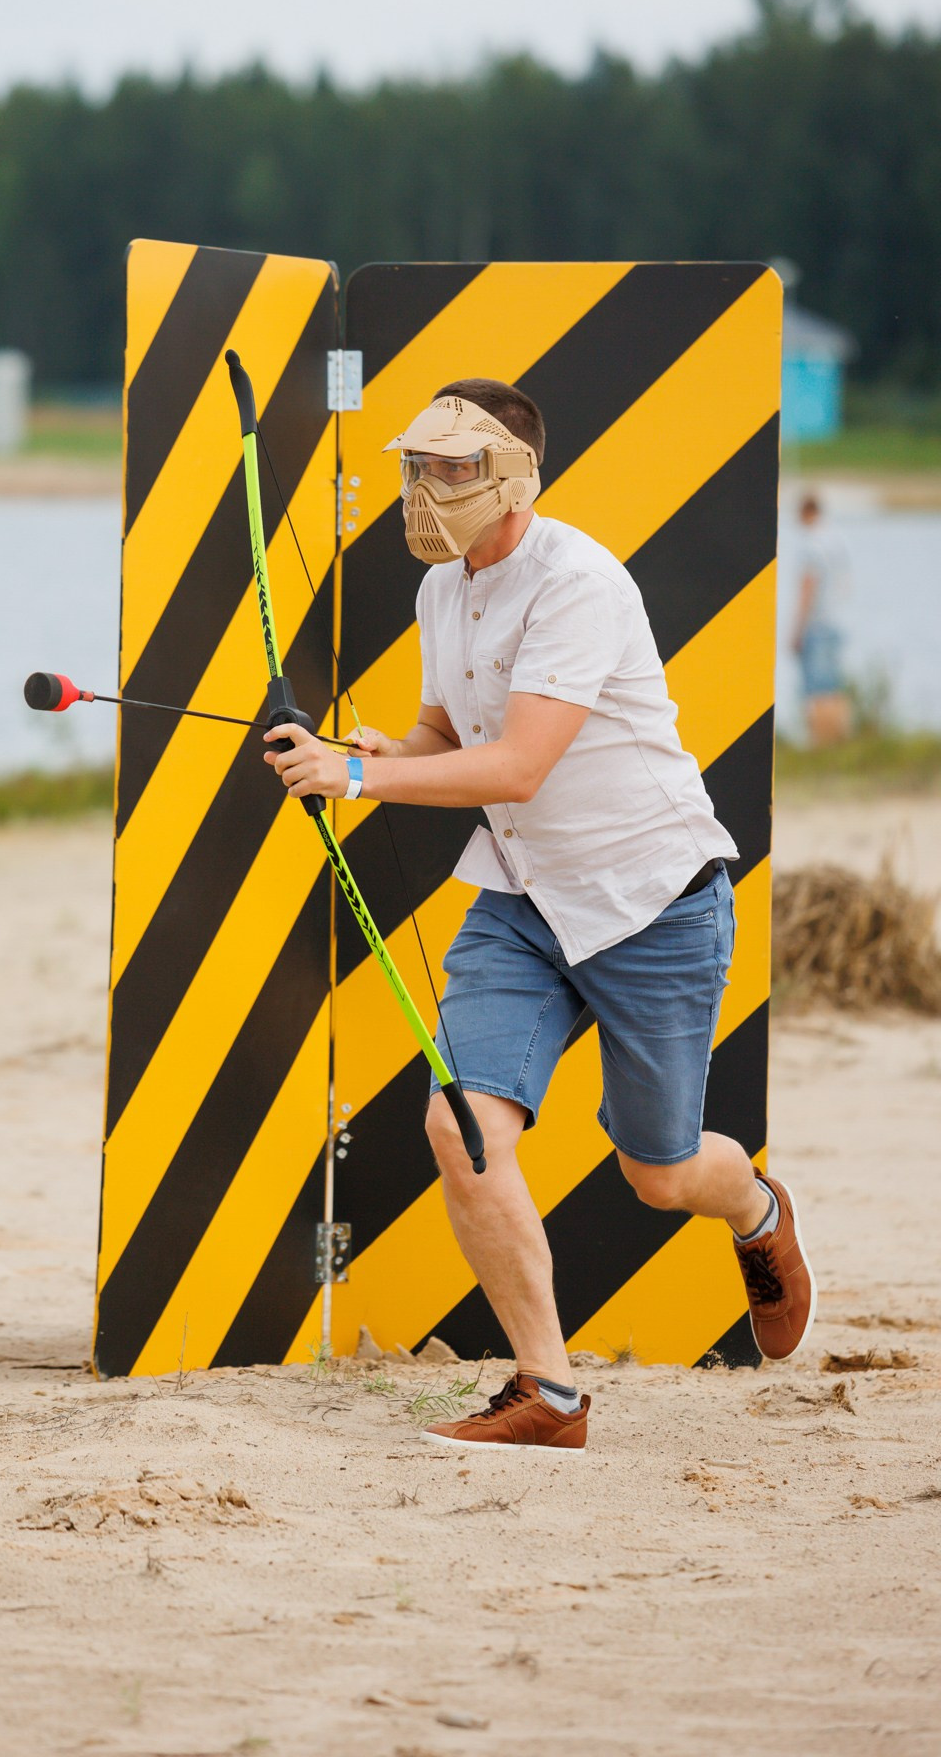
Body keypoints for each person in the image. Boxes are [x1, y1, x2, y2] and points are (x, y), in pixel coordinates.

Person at [264, 378, 816, 1452]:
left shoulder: (578, 582)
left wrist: (354, 781)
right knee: (459, 1125)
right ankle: (547, 1394)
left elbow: (515, 766)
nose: (425, 489)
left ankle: (753, 1209)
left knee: (657, 1173)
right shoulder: (441, 592)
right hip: (520, 900)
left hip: (648, 901)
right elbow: (442, 735)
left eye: (453, 468)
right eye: (416, 466)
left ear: (515, 475)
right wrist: (372, 750)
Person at [792, 492, 852, 746]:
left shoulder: (813, 542)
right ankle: (841, 742)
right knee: (834, 688)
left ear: (805, 512)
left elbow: (809, 587)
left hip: (817, 625)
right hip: (839, 621)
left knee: (816, 691)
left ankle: (820, 745)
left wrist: (797, 630)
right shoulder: (838, 538)